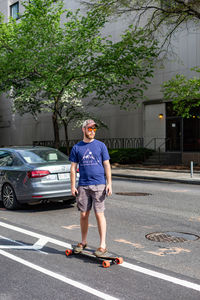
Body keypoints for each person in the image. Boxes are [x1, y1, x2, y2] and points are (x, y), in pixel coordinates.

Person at [69, 119, 112, 257]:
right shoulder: (77, 148)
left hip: (99, 184)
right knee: (83, 214)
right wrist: (72, 185)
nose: (92, 131)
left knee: (99, 214)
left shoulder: (101, 146)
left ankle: (102, 245)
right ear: (83, 129)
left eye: (94, 129)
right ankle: (83, 241)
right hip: (83, 185)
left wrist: (109, 183)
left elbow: (107, 165)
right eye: (89, 129)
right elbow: (73, 168)